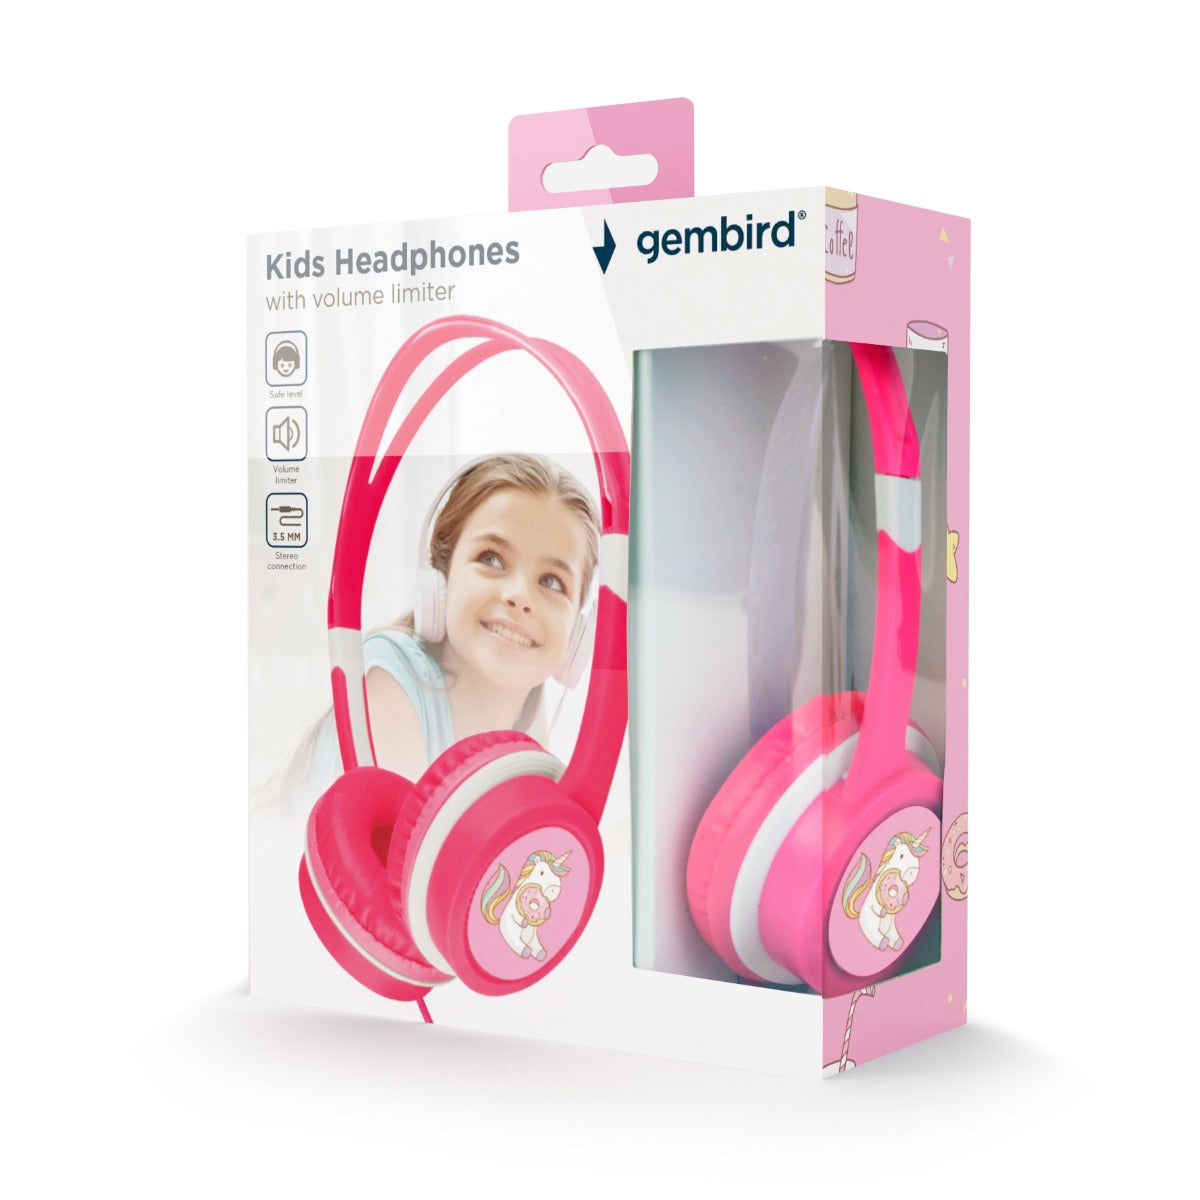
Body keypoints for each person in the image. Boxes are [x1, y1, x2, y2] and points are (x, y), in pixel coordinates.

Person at [277, 454, 600, 810]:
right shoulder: (389, 679)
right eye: (491, 559)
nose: (520, 596)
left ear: (577, 634)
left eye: (551, 581)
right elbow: (410, 841)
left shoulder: (530, 726)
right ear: (439, 580)